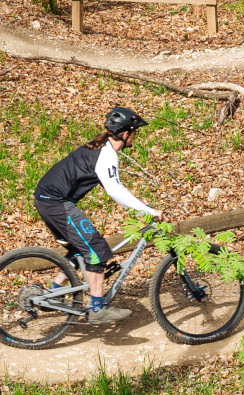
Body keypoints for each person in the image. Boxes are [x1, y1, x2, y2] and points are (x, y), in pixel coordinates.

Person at [31, 107, 162, 324]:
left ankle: (54, 291)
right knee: (96, 249)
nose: (136, 136)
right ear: (125, 133)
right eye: (135, 132)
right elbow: (115, 191)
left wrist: (140, 204)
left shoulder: (102, 148)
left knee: (80, 248)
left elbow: (116, 185)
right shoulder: (107, 154)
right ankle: (97, 309)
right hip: (56, 202)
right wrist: (148, 211)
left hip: (48, 199)